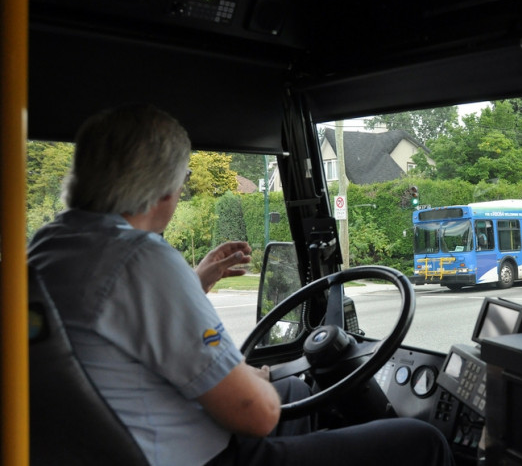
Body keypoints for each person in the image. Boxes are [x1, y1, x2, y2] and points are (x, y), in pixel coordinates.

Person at [28, 104, 454, 466]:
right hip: (205, 456)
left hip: (132, 442)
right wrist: (253, 377)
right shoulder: (140, 256)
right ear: (162, 189)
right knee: (423, 441)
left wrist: (199, 281)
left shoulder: (49, 245)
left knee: (295, 389)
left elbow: (121, 324)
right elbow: (257, 416)